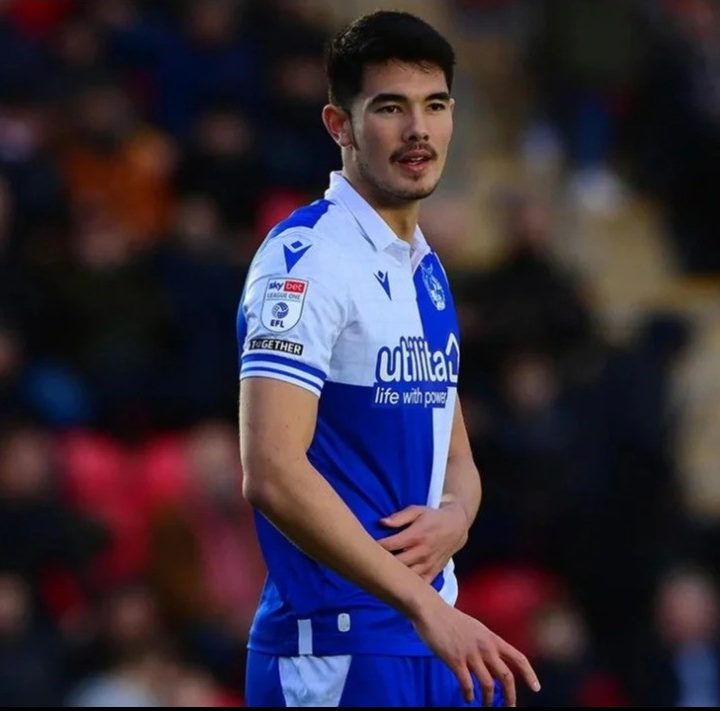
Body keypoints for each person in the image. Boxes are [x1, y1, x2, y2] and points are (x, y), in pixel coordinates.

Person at [235, 10, 539, 708]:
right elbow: (272, 471)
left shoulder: (423, 268)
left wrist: (457, 517)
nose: (418, 131)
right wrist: (423, 604)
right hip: (336, 650)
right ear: (338, 125)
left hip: (428, 638)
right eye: (390, 108)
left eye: (434, 106)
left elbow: (453, 452)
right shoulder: (303, 262)